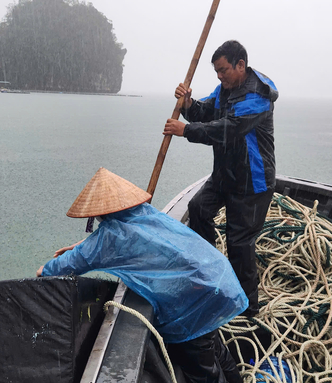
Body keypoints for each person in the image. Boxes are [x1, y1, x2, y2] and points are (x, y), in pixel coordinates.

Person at [37, 167, 247, 383]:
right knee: (214, 347)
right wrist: (82, 245)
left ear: (97, 212)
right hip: (215, 278)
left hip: (193, 301)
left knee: (202, 370)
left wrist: (49, 267)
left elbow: (53, 269)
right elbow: (122, 237)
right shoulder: (147, 214)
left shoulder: (107, 239)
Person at [163, 40, 279, 318]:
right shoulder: (225, 90)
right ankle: (210, 272)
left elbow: (227, 130)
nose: (219, 76)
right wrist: (189, 103)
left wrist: (186, 130)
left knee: (239, 244)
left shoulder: (257, 96)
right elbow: (206, 112)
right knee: (198, 209)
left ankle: (247, 310)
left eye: (223, 70)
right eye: (216, 71)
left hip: (253, 182)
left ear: (241, 65)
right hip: (225, 175)